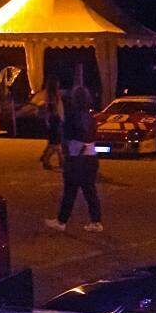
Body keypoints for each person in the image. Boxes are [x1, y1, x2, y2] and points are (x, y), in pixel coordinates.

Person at [45, 86, 103, 232]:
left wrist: (66, 155)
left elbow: (66, 138)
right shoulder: (91, 117)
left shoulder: (72, 117)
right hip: (91, 157)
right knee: (90, 191)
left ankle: (61, 221)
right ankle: (96, 222)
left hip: (76, 158)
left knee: (70, 191)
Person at [39, 76, 64, 169]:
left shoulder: (51, 95)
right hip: (55, 121)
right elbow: (53, 109)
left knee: (56, 144)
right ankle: (47, 160)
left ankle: (61, 162)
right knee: (55, 144)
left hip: (54, 120)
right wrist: (59, 118)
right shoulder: (52, 96)